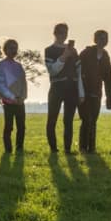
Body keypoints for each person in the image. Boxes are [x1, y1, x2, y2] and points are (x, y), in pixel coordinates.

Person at [76, 29, 111, 153]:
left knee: (94, 120)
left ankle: (91, 148)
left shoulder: (106, 56)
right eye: (101, 38)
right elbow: (77, 71)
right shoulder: (86, 53)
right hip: (83, 93)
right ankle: (83, 147)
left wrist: (110, 97)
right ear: (95, 39)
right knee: (86, 119)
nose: (103, 41)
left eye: (105, 38)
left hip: (97, 93)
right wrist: (79, 91)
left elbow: (108, 77)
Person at [44, 22, 79, 153]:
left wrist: (80, 92)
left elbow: (78, 71)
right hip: (56, 88)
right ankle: (53, 149)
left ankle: (67, 149)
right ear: (55, 33)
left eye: (65, 32)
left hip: (72, 88)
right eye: (60, 32)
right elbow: (52, 71)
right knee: (52, 119)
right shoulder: (49, 50)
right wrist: (64, 56)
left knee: (68, 121)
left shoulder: (74, 51)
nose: (63, 35)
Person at [0, 38, 27, 153]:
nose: (14, 51)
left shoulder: (19, 66)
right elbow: (0, 85)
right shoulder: (0, 66)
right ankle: (8, 150)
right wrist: (12, 97)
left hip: (20, 102)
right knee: (9, 127)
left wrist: (23, 97)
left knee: (21, 127)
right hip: (8, 103)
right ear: (5, 50)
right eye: (11, 48)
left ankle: (19, 148)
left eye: (15, 49)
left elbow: (24, 82)